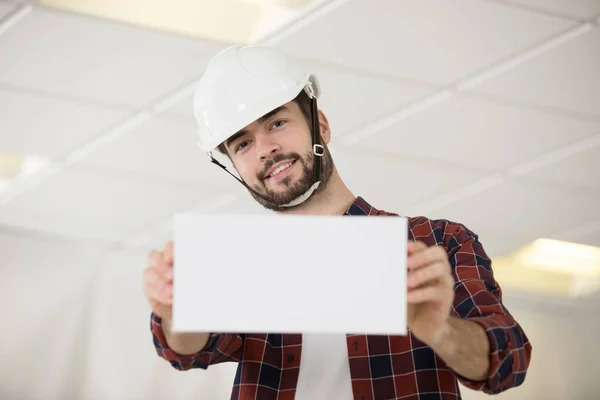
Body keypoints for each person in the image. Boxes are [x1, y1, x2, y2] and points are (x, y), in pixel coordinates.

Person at [143, 45, 532, 400]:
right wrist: (178, 309)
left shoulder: (433, 242)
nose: (264, 149)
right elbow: (190, 347)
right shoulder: (243, 264)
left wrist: (441, 330)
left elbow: (508, 361)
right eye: (241, 143)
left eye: (276, 123)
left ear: (321, 126)